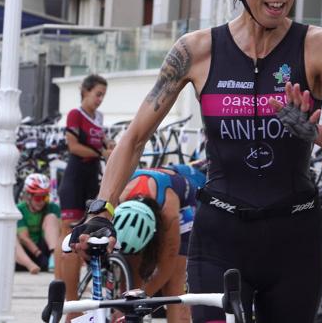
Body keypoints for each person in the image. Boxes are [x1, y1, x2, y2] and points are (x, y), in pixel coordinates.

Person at [70, 0, 322, 323]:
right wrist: (100, 211)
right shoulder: (196, 51)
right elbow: (136, 137)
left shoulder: (319, 46)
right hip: (221, 238)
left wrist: (316, 132)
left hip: (294, 239)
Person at [56, 74, 114, 315]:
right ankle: (66, 299)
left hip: (92, 178)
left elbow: (103, 143)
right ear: (86, 92)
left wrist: (111, 149)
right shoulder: (75, 114)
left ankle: (79, 291)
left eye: (103, 95)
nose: (100, 99)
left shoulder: (98, 118)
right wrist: (101, 153)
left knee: (88, 234)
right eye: (97, 94)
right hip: (75, 177)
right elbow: (73, 146)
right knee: (68, 236)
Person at [116, 167, 196, 322]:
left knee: (174, 287)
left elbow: (167, 266)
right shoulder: (118, 198)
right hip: (147, 192)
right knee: (133, 273)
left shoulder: (169, 210)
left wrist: (139, 301)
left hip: (183, 203)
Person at [15, 174, 60, 274]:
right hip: (26, 254)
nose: (42, 202)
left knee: (51, 217)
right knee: (10, 237)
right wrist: (39, 255)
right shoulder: (19, 209)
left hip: (46, 251)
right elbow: (24, 238)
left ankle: (54, 257)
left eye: (45, 198)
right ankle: (31, 266)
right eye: (38, 198)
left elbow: (61, 233)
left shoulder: (53, 208)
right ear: (28, 196)